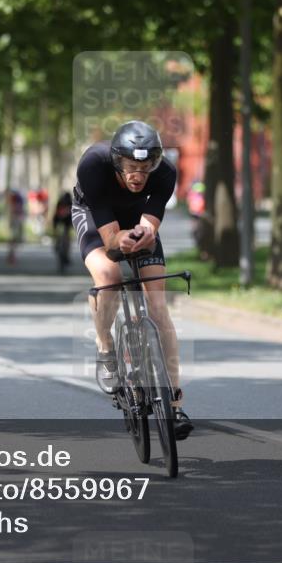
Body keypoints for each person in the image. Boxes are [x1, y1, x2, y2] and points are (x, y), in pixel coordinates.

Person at [71, 120, 193, 440]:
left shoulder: (165, 173)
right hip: (95, 218)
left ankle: (175, 405)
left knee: (158, 307)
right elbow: (111, 241)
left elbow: (149, 226)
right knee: (109, 275)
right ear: (117, 161)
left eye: (145, 167)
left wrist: (143, 235)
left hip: (136, 219)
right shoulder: (93, 166)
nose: (138, 174)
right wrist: (120, 241)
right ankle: (106, 346)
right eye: (130, 166)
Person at [52, 191, 73, 274]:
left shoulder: (67, 203)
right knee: (64, 238)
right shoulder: (64, 202)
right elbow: (57, 214)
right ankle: (58, 246)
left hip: (65, 222)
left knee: (65, 238)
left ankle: (61, 249)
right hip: (60, 221)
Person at [6, 188, 25, 265]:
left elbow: (17, 210)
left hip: (16, 219)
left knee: (14, 238)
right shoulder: (15, 199)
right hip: (15, 219)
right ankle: (12, 254)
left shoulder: (16, 199)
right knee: (13, 238)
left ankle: (12, 254)